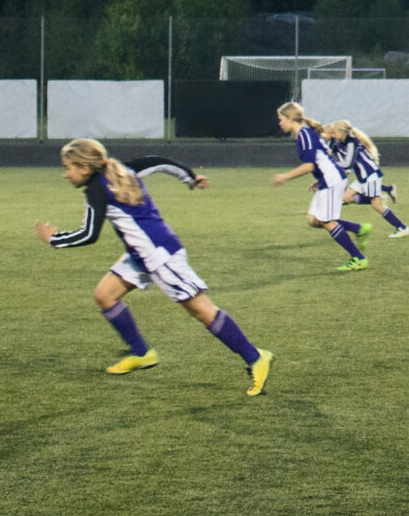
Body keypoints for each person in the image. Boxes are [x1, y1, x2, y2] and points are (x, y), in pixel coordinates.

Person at [34, 138, 273, 395]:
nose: (65, 173)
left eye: (68, 167)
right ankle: (141, 353)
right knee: (105, 295)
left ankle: (255, 357)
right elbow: (160, 162)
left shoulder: (96, 188)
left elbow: (89, 234)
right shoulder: (123, 169)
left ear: (84, 168)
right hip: (143, 255)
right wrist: (189, 178)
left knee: (203, 311)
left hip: (159, 257)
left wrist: (53, 239)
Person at [273, 102, 370, 271]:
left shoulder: (304, 135)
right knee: (314, 220)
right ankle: (358, 228)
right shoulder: (304, 134)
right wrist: (320, 177)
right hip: (328, 179)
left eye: (281, 119)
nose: (279, 123)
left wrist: (285, 176)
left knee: (326, 220)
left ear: (290, 118)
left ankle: (359, 258)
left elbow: (309, 165)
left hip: (332, 180)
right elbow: (325, 157)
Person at [325, 120, 409, 236]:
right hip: (362, 177)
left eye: (334, 133)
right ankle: (381, 196)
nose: (333, 135)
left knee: (377, 205)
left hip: (370, 175)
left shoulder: (352, 142)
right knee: (346, 197)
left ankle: (402, 227)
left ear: (342, 132)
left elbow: (347, 164)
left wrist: (331, 162)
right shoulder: (343, 142)